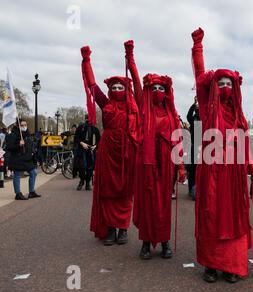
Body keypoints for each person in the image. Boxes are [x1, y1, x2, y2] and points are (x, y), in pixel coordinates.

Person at [191, 28, 253, 283]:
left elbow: (244, 151)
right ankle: (210, 265)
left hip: (233, 176)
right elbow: (200, 76)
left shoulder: (241, 118)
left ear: (235, 88)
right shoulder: (207, 108)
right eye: (220, 83)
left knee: (234, 218)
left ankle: (232, 265)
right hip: (212, 172)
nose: (224, 87)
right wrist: (198, 47)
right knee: (211, 216)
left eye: (228, 84)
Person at [124, 40, 185, 260]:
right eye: (155, 88)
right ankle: (147, 242)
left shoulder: (172, 114)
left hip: (165, 163)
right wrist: (130, 58)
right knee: (148, 203)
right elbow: (137, 84)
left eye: (162, 88)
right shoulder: (144, 108)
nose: (158, 91)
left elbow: (178, 141)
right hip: (147, 163)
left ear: (167, 92)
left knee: (163, 204)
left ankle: (165, 241)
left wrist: (180, 167)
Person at [81, 44, 140, 246]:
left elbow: (139, 85)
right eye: (113, 88)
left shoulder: (134, 106)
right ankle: (110, 228)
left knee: (125, 190)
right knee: (107, 190)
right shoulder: (106, 104)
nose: (116, 90)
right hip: (108, 151)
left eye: (120, 87)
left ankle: (122, 228)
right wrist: (87, 60)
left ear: (126, 89)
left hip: (127, 151)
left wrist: (130, 58)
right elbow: (92, 86)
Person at [4, 120, 41, 200]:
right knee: (17, 175)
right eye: (22, 125)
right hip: (17, 158)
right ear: (18, 126)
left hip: (27, 158)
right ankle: (18, 193)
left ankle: (31, 192)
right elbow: (9, 147)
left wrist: (32, 151)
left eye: (25, 124)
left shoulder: (27, 134)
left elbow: (29, 144)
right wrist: (19, 145)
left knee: (34, 173)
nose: (24, 126)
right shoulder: (13, 135)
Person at [74, 116, 101, 191]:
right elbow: (76, 138)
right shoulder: (80, 128)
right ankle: (82, 181)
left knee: (90, 167)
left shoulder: (95, 129)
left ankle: (88, 183)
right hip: (81, 150)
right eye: (87, 119)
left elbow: (99, 140)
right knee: (81, 167)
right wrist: (82, 143)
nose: (88, 121)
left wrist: (95, 146)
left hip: (91, 151)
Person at [186, 96, 200, 200]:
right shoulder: (193, 118)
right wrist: (193, 104)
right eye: (197, 109)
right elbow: (188, 115)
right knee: (192, 169)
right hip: (194, 147)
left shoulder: (205, 118)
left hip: (204, 147)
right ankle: (191, 189)